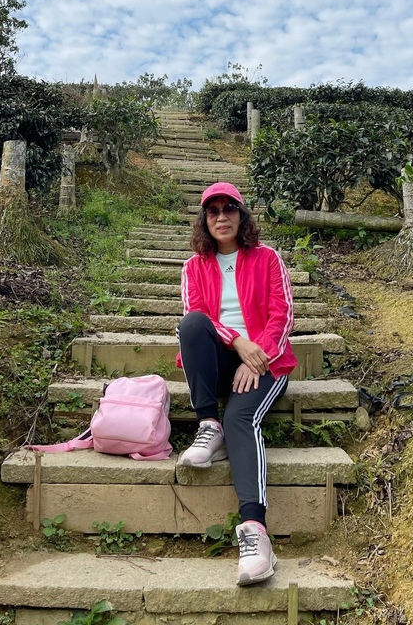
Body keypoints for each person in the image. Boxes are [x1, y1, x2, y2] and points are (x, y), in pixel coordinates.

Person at [176, 182, 297, 586]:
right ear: (204, 220)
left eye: (229, 208)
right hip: (226, 360)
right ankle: (207, 422)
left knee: (241, 419)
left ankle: (255, 533)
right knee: (192, 324)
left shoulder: (267, 258)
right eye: (213, 211)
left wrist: (257, 356)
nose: (221, 217)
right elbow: (199, 316)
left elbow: (282, 315)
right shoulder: (193, 267)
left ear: (241, 216)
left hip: (267, 361)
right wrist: (239, 344)